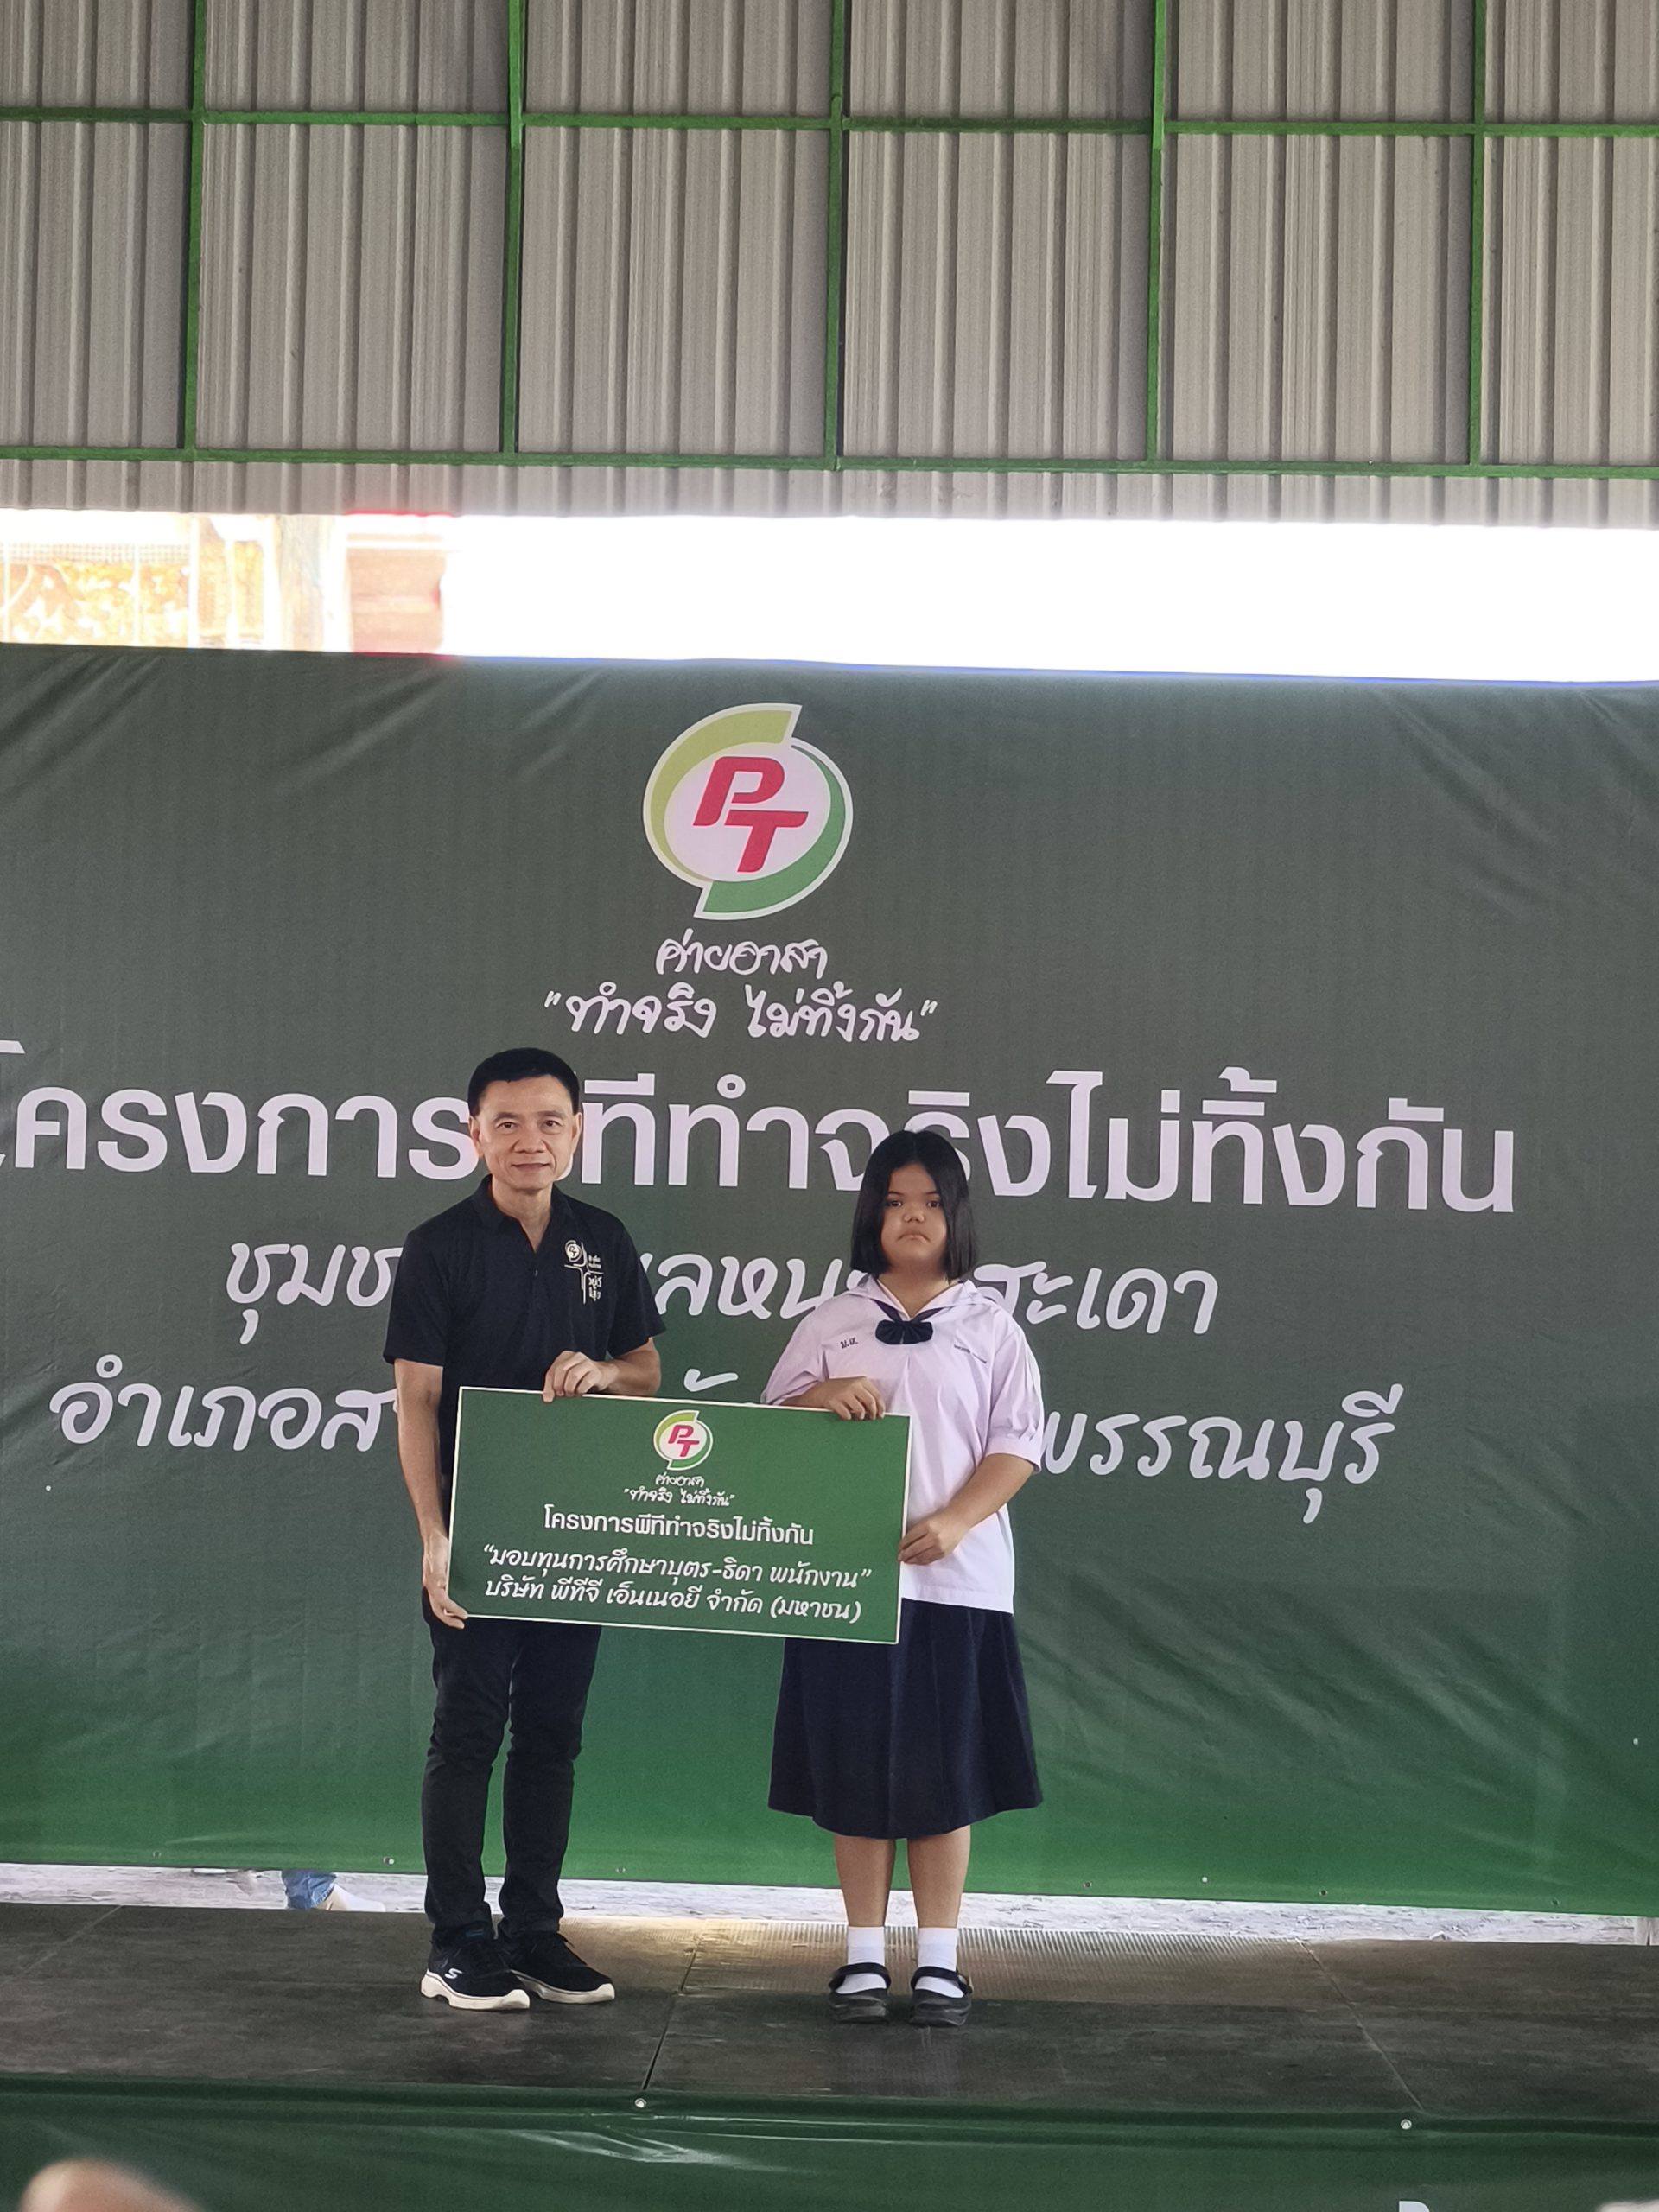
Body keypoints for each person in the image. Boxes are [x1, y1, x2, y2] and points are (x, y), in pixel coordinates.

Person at [385, 1046, 663, 2012]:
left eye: (550, 1121)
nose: (529, 1140)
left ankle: (533, 1930)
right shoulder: (438, 1246)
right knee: (468, 1732)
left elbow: (646, 1371)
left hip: (577, 1529)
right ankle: (457, 1939)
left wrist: (605, 1372)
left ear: (577, 1131)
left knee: (553, 1734)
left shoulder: (604, 1238)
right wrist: (435, 1536)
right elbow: (416, 1403)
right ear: (474, 1134)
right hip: (478, 1529)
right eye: (506, 1122)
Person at [763, 1129, 1045, 2029]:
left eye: (928, 1201)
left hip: (957, 1588)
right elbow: (767, 1427)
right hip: (845, 1586)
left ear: (955, 1214)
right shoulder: (830, 1322)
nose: (911, 1217)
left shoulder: (992, 1328)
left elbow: (1018, 1444)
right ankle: (860, 1956)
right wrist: (818, 1396)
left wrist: (957, 1519)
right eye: (893, 1202)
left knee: (943, 1776)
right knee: (854, 1771)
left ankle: (940, 1963)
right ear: (870, 1216)